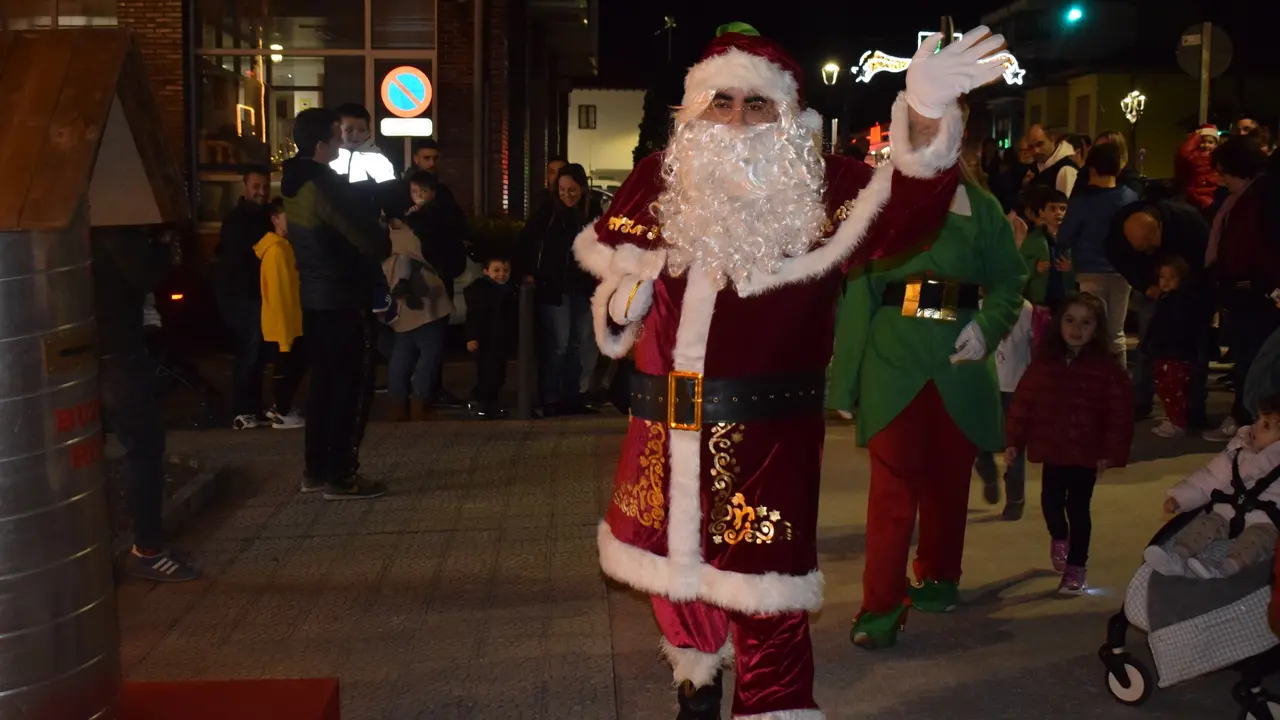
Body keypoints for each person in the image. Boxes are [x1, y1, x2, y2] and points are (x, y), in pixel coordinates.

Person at [573, 21, 1009, 718]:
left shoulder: (822, 186)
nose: (738, 120)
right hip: (658, 434)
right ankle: (696, 681)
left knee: (765, 596)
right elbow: (617, 287)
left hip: (765, 442)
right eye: (722, 103)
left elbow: (909, 209)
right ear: (695, 111)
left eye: (757, 105)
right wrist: (622, 305)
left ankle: (771, 708)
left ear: (788, 116)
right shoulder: (662, 178)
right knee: (669, 578)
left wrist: (926, 115)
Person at [831, 104, 1028, 649]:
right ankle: (880, 608)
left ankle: (940, 578)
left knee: (948, 485)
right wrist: (844, 380)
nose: (925, 137)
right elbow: (857, 298)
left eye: (936, 127)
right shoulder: (878, 206)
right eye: (916, 127)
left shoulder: (982, 208)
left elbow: (1011, 281)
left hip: (960, 367)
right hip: (893, 368)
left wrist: (988, 326)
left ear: (956, 135)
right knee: (891, 496)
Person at [282, 107, 390, 500]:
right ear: (321, 143)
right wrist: (378, 228)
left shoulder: (292, 182)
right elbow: (369, 240)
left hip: (314, 298)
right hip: (344, 297)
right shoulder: (323, 184)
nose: (341, 142)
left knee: (323, 387)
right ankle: (341, 475)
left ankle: (316, 468)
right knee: (350, 389)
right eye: (335, 136)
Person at [1005, 293, 1134, 595]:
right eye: (1070, 320)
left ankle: (1077, 567)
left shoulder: (1106, 368)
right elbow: (1023, 403)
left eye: (1086, 323)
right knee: (1051, 505)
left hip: (1085, 453)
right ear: (1058, 323)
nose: (1077, 329)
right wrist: (1014, 441)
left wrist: (1109, 452)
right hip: (1052, 449)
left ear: (1097, 329)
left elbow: (1119, 413)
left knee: (1079, 510)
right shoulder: (1044, 363)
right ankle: (1059, 536)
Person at [94, 225, 200, 582]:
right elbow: (145, 274)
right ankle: (147, 549)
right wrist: (163, 244)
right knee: (144, 446)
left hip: (91, 348)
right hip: (118, 348)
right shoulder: (117, 225)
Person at [1144, 394, 1280, 579]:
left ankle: (1224, 568)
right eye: (1257, 419)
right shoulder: (1239, 448)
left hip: (1266, 520)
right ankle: (1177, 555)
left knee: (1257, 541)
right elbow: (1212, 476)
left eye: (1265, 425)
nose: (1255, 426)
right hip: (1227, 511)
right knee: (1205, 525)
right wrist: (1181, 497)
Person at [1107, 198, 1212, 425]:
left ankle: (1193, 408)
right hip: (1153, 292)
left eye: (1150, 247)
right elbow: (1118, 256)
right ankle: (1141, 401)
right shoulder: (1121, 228)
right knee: (1149, 343)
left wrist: (1182, 287)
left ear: (1159, 230)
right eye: (1141, 250)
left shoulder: (1188, 223)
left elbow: (1206, 260)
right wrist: (1147, 284)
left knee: (1195, 352)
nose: (1148, 253)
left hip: (1192, 293)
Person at [1208, 136, 1277, 441]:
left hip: (1255, 293)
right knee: (1248, 359)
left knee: (1254, 362)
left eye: (1223, 171)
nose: (1219, 177)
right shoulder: (1244, 197)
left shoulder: (1259, 197)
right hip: (1243, 292)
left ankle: (1252, 421)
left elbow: (1258, 248)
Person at [524, 163, 602, 416]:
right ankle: (551, 398)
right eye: (562, 189)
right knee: (558, 344)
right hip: (555, 287)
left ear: (582, 188)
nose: (567, 195)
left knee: (577, 344)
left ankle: (572, 397)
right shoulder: (547, 211)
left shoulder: (591, 211)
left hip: (582, 286)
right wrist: (530, 274)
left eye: (572, 190)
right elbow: (528, 240)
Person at [1059, 142, 1140, 361]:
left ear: (1092, 169)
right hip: (1123, 273)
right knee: (1116, 333)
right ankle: (1119, 383)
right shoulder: (1130, 198)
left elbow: (1064, 236)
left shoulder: (1083, 202)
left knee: (1091, 331)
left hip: (1090, 272)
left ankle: (1093, 380)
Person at [215, 165, 273, 430]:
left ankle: (253, 407)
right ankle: (242, 409)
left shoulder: (262, 217)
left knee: (256, 354)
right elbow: (237, 262)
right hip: (245, 295)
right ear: (245, 187)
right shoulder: (238, 220)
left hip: (256, 293)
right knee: (249, 353)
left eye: (264, 186)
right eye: (256, 187)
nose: (261, 192)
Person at [381, 219, 454, 421]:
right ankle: (418, 403)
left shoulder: (382, 232)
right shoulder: (416, 230)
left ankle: (397, 405)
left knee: (402, 352)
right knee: (430, 352)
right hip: (424, 296)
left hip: (396, 298)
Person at [974, 298, 1035, 519]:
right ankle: (987, 471)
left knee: (1015, 446)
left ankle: (1015, 498)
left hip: (1016, 387)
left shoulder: (1025, 309)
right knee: (981, 440)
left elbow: (1036, 344)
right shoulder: (976, 305)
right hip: (985, 384)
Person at [253, 198, 306, 430]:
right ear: (275, 219)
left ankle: (281, 408)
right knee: (287, 367)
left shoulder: (281, 247)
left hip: (287, 321)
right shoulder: (277, 252)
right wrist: (286, 334)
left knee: (290, 367)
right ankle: (282, 411)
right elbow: (280, 294)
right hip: (285, 323)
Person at [1143, 258, 1200, 437]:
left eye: (1172, 277)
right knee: (1164, 386)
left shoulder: (1180, 302)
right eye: (1162, 276)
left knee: (1173, 388)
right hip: (1164, 352)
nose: (1165, 281)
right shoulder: (1166, 300)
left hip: (1174, 353)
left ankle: (1178, 422)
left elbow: (1175, 329)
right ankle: (1173, 417)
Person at [464, 255, 515, 419]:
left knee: (498, 375)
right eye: (496, 270)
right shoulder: (482, 292)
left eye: (505, 271)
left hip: (499, 340)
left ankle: (490, 405)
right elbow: (474, 316)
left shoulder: (507, 291)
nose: (501, 274)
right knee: (488, 375)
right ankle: (482, 403)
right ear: (486, 271)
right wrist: (472, 337)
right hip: (486, 341)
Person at [1019, 186, 1073, 309]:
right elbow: (1020, 264)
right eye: (1052, 209)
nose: (1058, 213)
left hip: (1066, 296)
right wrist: (1035, 267)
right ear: (1042, 212)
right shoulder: (1034, 239)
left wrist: (1072, 267)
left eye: (1063, 209)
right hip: (1042, 297)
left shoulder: (1073, 238)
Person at [330, 102, 396, 185]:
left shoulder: (378, 160)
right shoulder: (330, 157)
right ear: (337, 130)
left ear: (369, 132)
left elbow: (388, 189)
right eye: (349, 130)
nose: (355, 135)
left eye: (362, 130)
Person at [1175, 124, 1221, 215]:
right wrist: (1195, 137)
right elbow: (1184, 152)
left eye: (1210, 142)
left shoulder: (1218, 157)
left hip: (1212, 194)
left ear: (1216, 145)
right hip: (1195, 193)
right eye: (1202, 142)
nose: (1206, 145)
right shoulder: (1194, 156)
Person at [1026, 124, 1079, 197]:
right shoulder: (1035, 167)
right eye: (1031, 147)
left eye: (1040, 144)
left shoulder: (1065, 170)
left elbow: (1067, 205)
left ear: (1052, 140)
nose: (1036, 151)